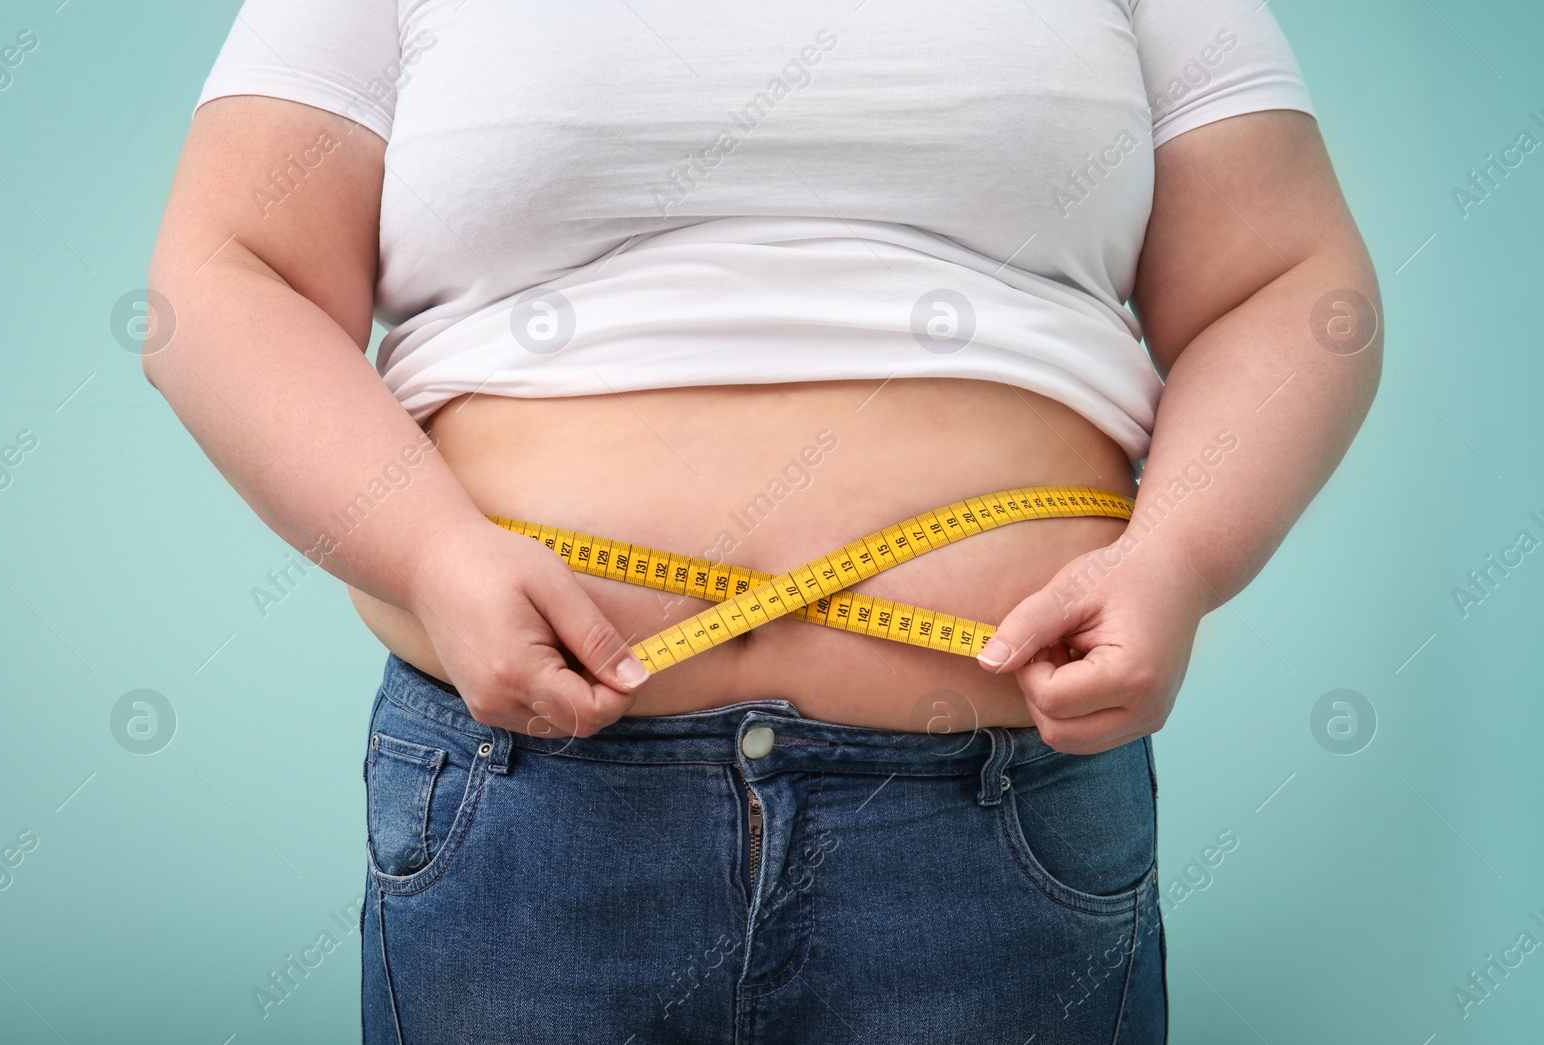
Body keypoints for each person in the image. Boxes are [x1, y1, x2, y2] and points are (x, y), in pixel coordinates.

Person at [146, 0, 1380, 1041]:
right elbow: (226, 274)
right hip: (530, 796)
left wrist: (1182, 552)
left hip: (996, 802)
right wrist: (432, 549)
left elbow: (1286, 281)